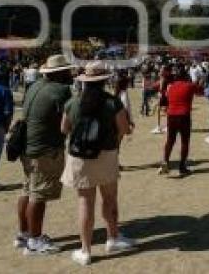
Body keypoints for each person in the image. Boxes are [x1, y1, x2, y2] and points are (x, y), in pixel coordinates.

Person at [61, 61, 133, 266]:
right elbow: (124, 128)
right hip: (107, 154)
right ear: (104, 81)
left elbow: (64, 129)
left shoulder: (73, 102)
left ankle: (85, 250)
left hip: (80, 157)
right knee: (110, 199)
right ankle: (113, 237)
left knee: (85, 203)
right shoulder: (112, 102)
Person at [16, 54, 74, 256]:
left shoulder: (34, 86)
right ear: (60, 73)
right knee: (38, 194)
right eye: (68, 71)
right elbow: (70, 118)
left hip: (26, 146)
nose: (71, 74)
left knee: (27, 190)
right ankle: (34, 241)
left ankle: (23, 234)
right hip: (45, 149)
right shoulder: (61, 90)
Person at [159, 65, 202, 176]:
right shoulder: (189, 85)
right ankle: (182, 166)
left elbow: (165, 96)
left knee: (170, 140)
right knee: (184, 141)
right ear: (186, 76)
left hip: (171, 115)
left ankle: (165, 161)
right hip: (184, 115)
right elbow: (200, 92)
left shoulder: (171, 86)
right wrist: (199, 81)